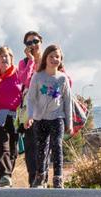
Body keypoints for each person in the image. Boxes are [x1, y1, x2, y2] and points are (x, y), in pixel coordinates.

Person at [25, 44, 73, 189]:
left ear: (61, 60)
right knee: (41, 147)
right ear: (45, 58)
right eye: (51, 56)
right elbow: (31, 98)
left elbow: (68, 101)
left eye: (57, 57)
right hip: (40, 119)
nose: (54, 59)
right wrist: (30, 116)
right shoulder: (38, 77)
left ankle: (58, 178)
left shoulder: (63, 79)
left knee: (57, 145)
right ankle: (41, 176)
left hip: (57, 117)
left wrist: (69, 123)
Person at [0, 46, 32, 187]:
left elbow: (28, 81)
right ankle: (4, 176)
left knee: (13, 151)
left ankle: (5, 178)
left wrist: (31, 60)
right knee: (2, 146)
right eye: (1, 56)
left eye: (7, 55)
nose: (4, 58)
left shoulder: (18, 74)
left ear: (12, 59)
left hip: (14, 117)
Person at [16, 31, 42, 187]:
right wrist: (31, 61)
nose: (32, 45)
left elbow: (65, 80)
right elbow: (24, 80)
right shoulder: (24, 63)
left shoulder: (51, 58)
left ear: (41, 41)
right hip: (29, 107)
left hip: (48, 107)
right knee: (31, 143)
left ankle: (43, 175)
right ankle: (33, 177)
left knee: (45, 142)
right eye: (28, 43)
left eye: (35, 41)